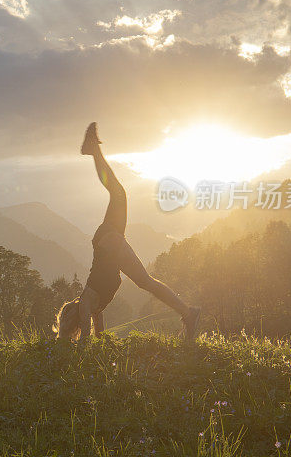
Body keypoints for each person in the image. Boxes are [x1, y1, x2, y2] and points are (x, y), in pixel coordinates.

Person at [54, 122, 200, 341]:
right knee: (118, 194)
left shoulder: (85, 306)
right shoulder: (94, 309)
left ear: (72, 320)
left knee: (118, 194)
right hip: (107, 245)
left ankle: (189, 314)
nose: (80, 325)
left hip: (108, 245)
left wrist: (68, 345)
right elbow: (99, 338)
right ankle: (188, 314)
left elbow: (86, 339)